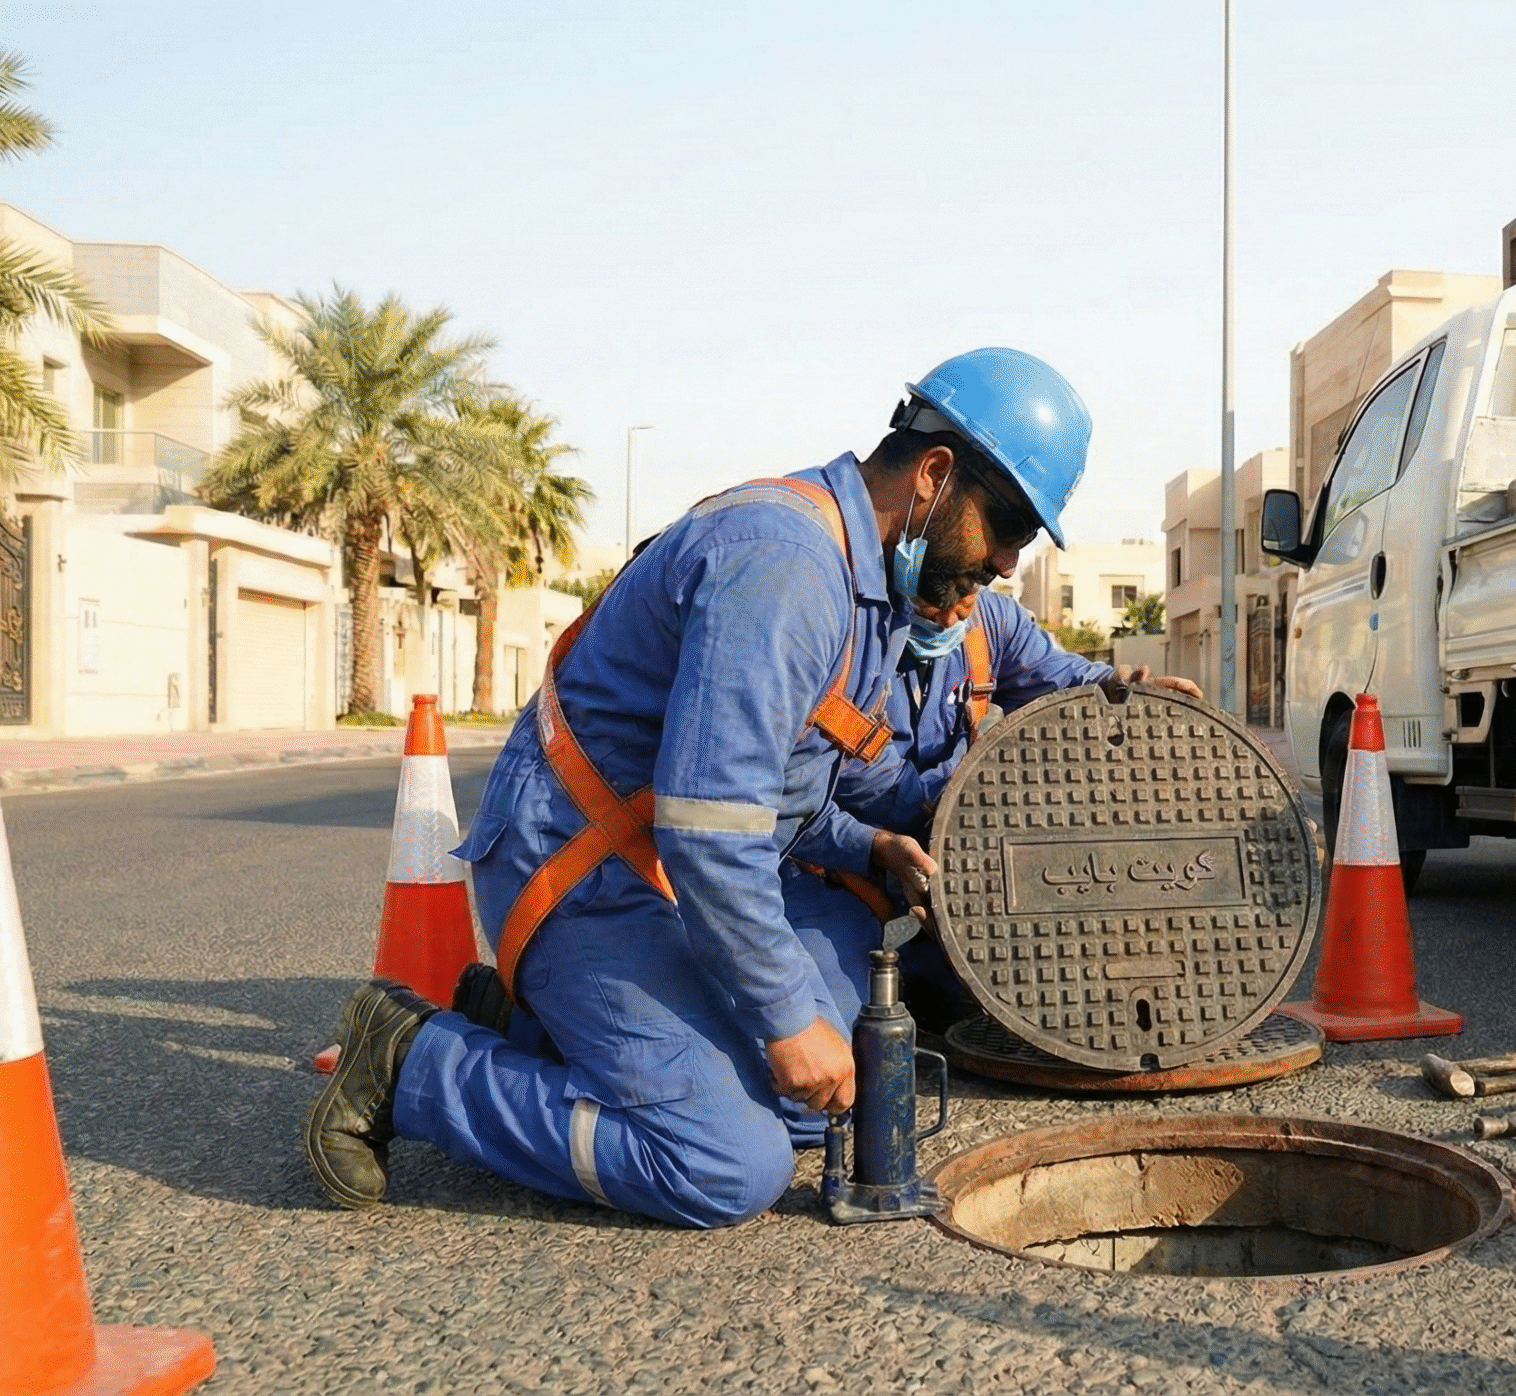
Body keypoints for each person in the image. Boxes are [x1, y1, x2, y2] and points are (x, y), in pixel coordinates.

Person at [304, 348, 1089, 1228]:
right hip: (583, 874)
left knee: (828, 1088)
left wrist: (861, 845)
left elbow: (781, 806)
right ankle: (411, 1064)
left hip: (656, 875)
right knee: (723, 1162)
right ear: (936, 475)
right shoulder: (788, 567)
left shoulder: (860, 591)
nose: (1012, 563)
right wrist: (788, 1019)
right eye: (1012, 528)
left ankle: (534, 1031)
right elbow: (712, 833)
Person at [778, 586, 1201, 1033]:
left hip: (953, 888)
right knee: (827, 1035)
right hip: (834, 880)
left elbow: (1072, 683)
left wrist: (1122, 688)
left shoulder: (987, 622)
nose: (951, 617)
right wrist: (876, 846)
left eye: (968, 590)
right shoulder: (834, 629)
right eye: (938, 597)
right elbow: (777, 795)